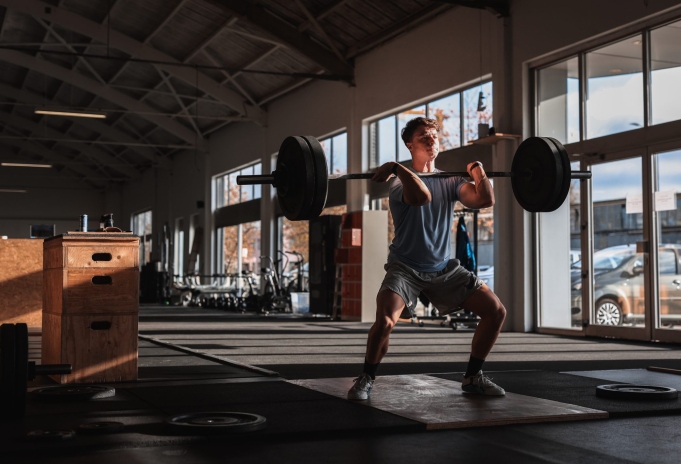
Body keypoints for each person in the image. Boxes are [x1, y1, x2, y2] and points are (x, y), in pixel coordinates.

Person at [347, 117, 507, 401]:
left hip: (444, 268)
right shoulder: (397, 183)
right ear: (410, 144)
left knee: (496, 312)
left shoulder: (452, 180)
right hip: (405, 268)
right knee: (385, 321)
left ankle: (473, 376)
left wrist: (479, 171)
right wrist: (397, 167)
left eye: (434, 135)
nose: (432, 139)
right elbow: (421, 197)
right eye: (424, 136)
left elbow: (485, 200)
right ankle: (367, 377)